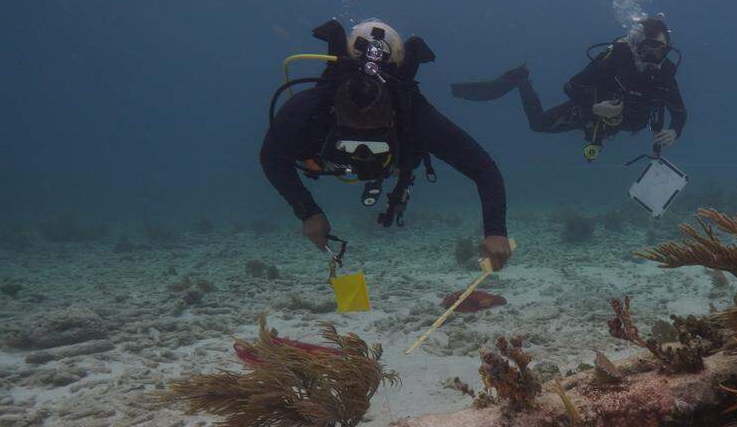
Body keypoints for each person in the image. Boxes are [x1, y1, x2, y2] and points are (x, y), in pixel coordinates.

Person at [260, 18, 512, 269]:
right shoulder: (310, 107)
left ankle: (391, 174)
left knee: (398, 165)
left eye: (373, 136)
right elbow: (271, 158)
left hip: (392, 163)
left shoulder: (413, 114)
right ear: (334, 110)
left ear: (392, 117)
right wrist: (308, 212)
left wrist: (495, 231)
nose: (361, 147)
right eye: (352, 133)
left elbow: (482, 168)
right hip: (342, 156)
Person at [451, 16, 686, 161]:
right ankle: (520, 79)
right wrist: (595, 108)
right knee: (538, 124)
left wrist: (674, 131)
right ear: (636, 45)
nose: (655, 57)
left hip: (617, 124)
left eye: (661, 51)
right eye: (649, 48)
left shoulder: (664, 74)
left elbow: (679, 113)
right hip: (589, 112)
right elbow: (571, 86)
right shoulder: (615, 58)